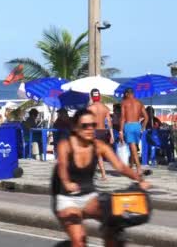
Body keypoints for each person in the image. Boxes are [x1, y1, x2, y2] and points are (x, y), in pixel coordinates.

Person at [51, 109, 150, 247]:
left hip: (89, 197)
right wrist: (67, 183)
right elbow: (62, 166)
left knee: (115, 223)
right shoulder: (66, 145)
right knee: (80, 240)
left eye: (93, 125)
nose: (90, 129)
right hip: (67, 199)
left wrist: (140, 179)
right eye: (85, 126)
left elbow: (120, 167)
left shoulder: (98, 146)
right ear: (75, 127)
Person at [119, 88, 148, 175]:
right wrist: (143, 127)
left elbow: (123, 118)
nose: (124, 96)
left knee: (133, 147)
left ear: (127, 94)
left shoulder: (124, 103)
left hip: (129, 125)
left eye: (124, 94)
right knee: (133, 147)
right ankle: (131, 166)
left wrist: (120, 131)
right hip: (137, 125)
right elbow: (146, 117)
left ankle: (138, 168)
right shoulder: (140, 103)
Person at [87, 88, 114, 181]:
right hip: (103, 132)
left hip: (94, 131)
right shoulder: (105, 108)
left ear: (91, 96)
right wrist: (112, 135)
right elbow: (109, 122)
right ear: (99, 96)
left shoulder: (90, 108)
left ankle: (103, 174)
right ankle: (97, 173)